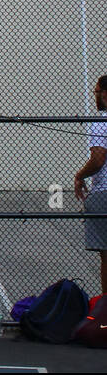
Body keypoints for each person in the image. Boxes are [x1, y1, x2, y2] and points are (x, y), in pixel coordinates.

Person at [74, 74, 107, 296]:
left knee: (106, 254)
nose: (95, 96)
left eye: (96, 92)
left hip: (104, 192)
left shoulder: (101, 122)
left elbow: (97, 160)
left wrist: (79, 176)